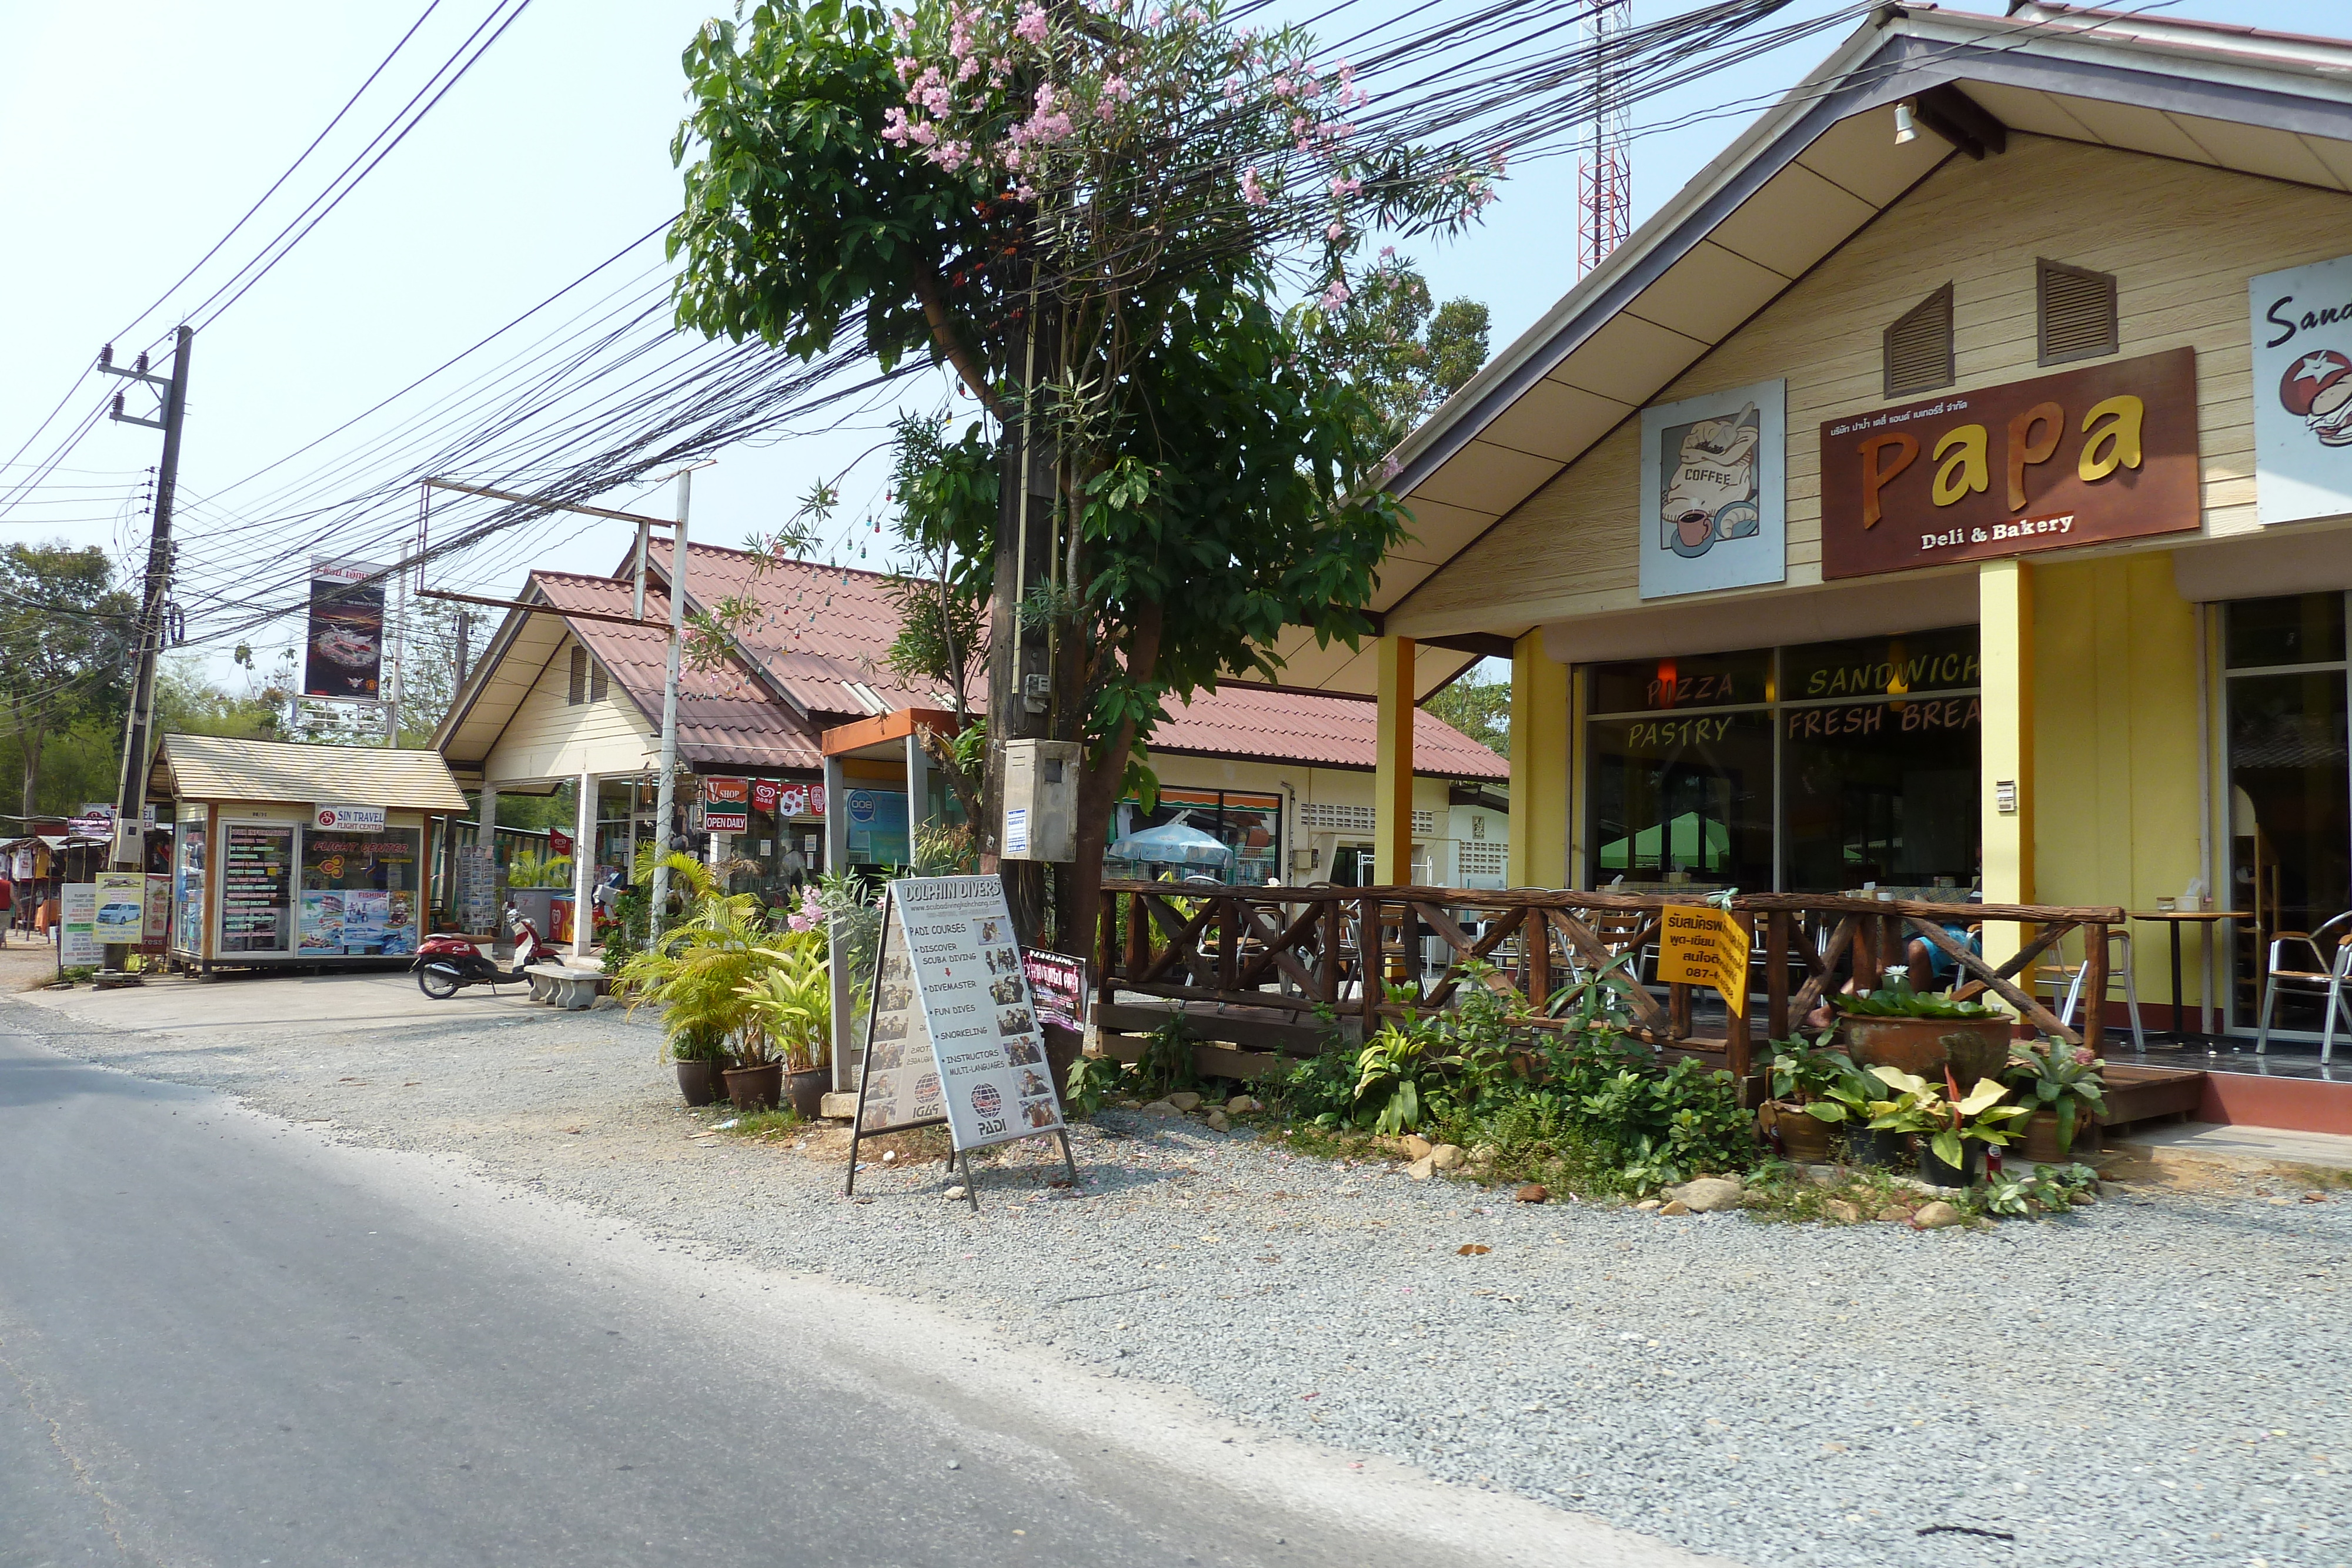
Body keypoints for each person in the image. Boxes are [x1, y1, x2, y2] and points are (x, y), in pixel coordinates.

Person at [0, 870, 13, 947]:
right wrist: (19, 906)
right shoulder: (9, 884)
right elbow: (12, 896)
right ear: (6, 876)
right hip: (5, 908)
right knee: (3, 927)